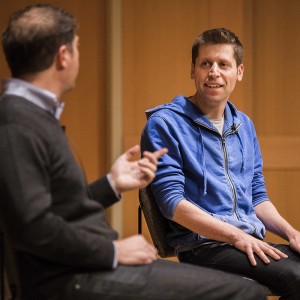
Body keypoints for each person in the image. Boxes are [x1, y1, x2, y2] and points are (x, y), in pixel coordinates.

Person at [0, 5, 268, 300]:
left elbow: (58, 210)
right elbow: (31, 227)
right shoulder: (17, 122)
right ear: (64, 56)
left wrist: (111, 184)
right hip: (70, 275)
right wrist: (113, 250)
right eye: (77, 48)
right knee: (244, 293)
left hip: (83, 264)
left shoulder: (30, 115)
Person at [141, 28, 300, 299]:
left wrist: (291, 232)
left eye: (223, 64)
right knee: (295, 277)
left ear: (239, 72)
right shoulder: (165, 124)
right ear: (193, 71)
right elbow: (172, 205)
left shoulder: (244, 125)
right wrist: (236, 236)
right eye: (206, 64)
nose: (214, 72)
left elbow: (257, 196)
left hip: (246, 242)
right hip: (203, 247)